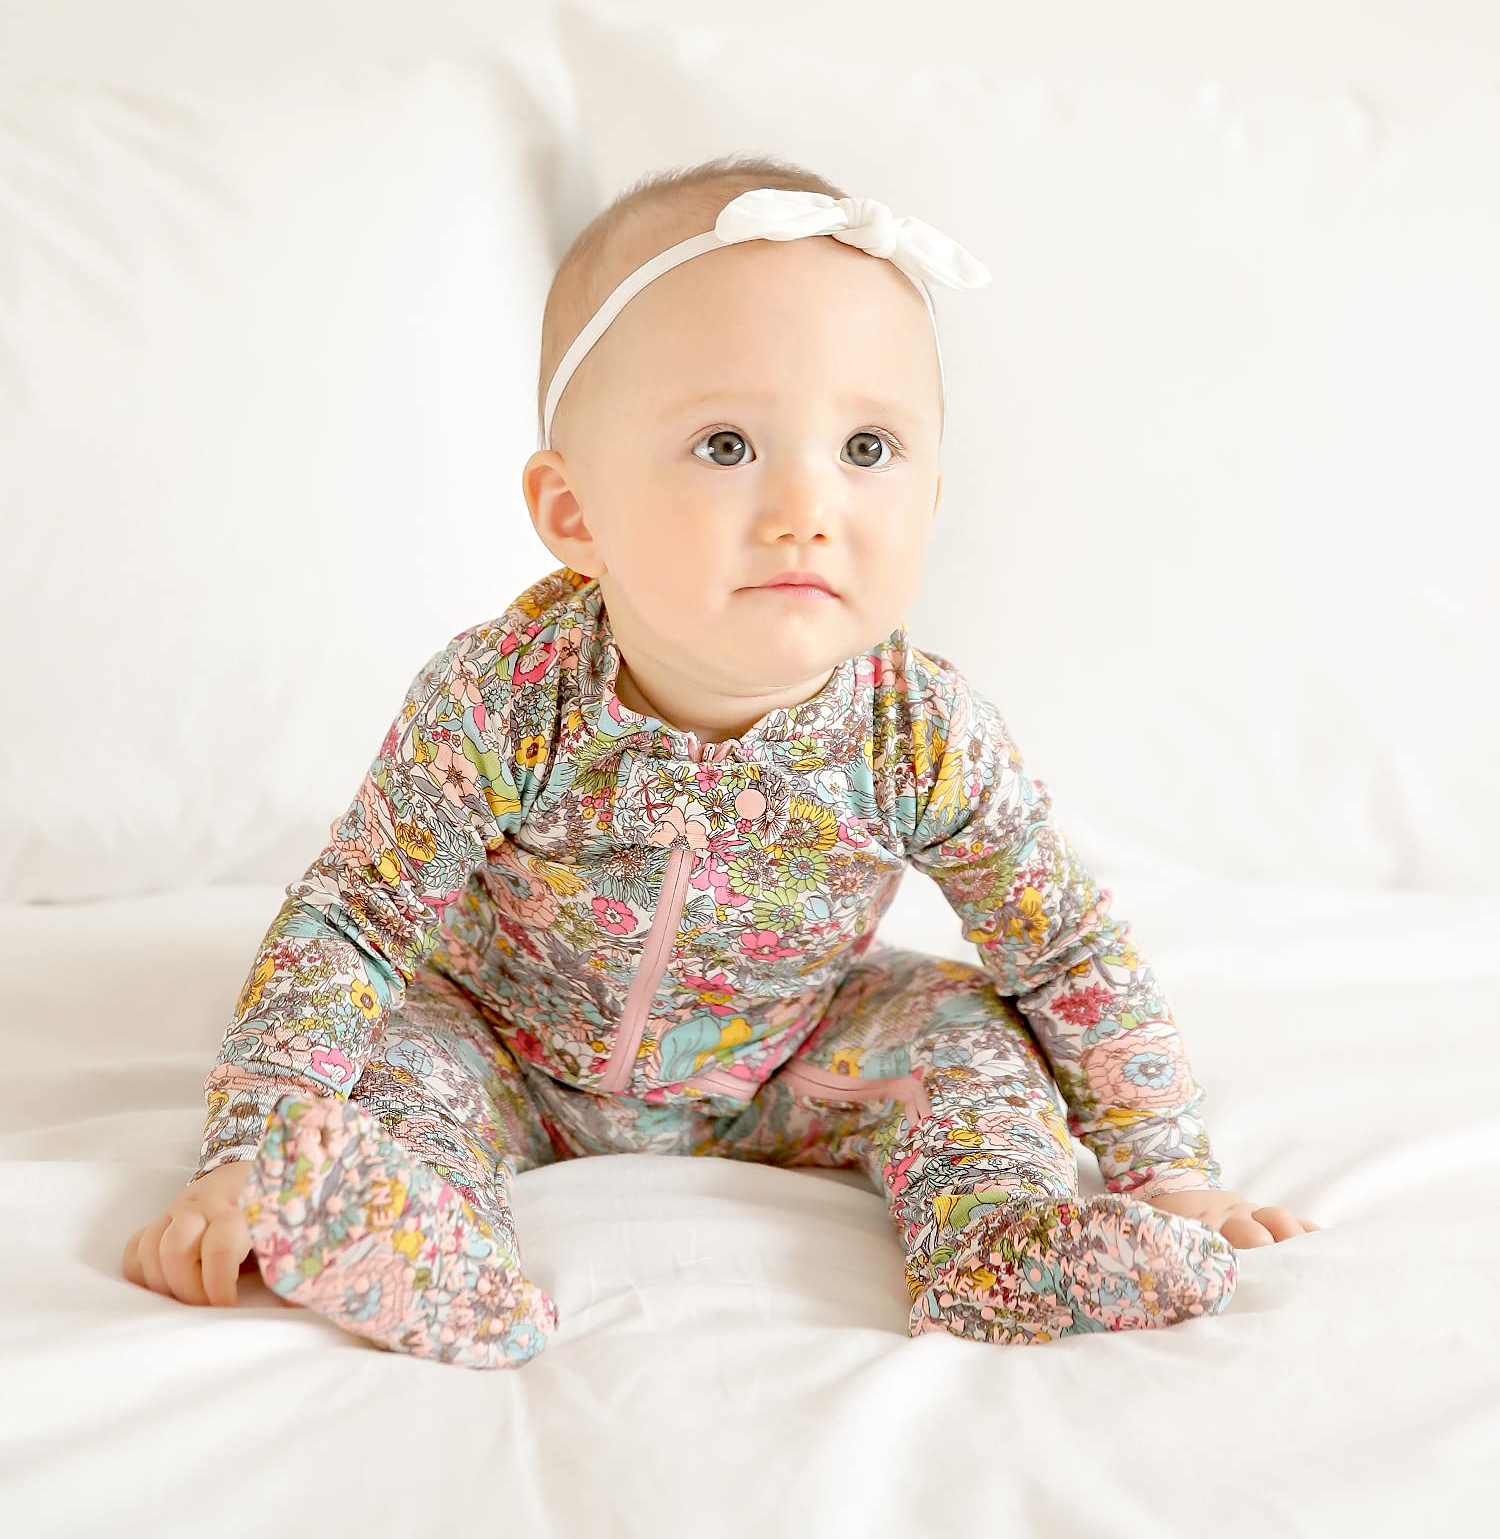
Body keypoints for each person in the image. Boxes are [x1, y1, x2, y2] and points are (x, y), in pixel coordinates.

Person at [122, 154, 1320, 1368]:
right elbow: (355, 920)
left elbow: (1063, 946)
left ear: (932, 498)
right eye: (728, 443)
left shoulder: (920, 731)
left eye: (866, 448)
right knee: (389, 1055)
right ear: (575, 513)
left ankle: (997, 1244)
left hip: (791, 1057)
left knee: (963, 1025)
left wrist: (1167, 1169)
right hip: (506, 1045)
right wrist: (249, 1147)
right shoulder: (505, 696)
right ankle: (422, 1245)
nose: (807, 506)